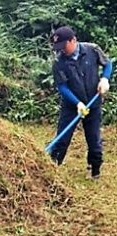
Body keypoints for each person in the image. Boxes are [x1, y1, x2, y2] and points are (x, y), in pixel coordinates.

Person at [49, 26, 112, 179]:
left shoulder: (92, 49)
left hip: (93, 102)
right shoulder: (59, 61)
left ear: (73, 40)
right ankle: (50, 170)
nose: (61, 50)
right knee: (62, 140)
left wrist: (104, 78)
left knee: (94, 140)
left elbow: (108, 64)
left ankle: (95, 170)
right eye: (59, 47)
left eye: (64, 46)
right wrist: (77, 103)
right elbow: (62, 87)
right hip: (71, 106)